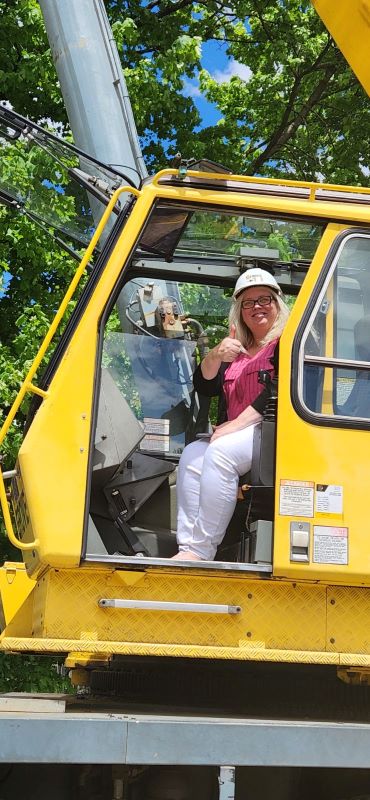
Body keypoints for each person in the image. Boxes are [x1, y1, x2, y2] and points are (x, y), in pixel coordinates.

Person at [171, 267, 290, 562]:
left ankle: (201, 550)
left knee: (220, 452)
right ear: (240, 310)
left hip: (274, 432)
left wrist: (235, 424)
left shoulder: (288, 343)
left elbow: (279, 388)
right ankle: (188, 547)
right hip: (239, 434)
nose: (257, 307)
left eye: (264, 299)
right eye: (248, 302)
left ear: (277, 304)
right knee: (192, 456)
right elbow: (205, 385)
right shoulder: (236, 349)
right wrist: (215, 355)